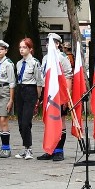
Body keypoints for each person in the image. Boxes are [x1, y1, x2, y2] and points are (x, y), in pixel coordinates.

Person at [38, 33, 73, 161]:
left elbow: (68, 76)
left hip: (60, 94)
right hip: (49, 94)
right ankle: (50, 148)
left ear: (57, 44)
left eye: (51, 42)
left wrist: (67, 97)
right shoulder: (46, 58)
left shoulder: (62, 57)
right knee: (49, 121)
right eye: (47, 42)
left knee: (60, 121)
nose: (48, 45)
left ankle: (59, 150)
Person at [14, 37, 43, 160]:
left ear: (30, 49)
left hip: (30, 90)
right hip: (20, 90)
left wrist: (38, 97)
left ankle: (29, 149)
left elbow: (39, 81)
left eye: (24, 47)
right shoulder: (19, 63)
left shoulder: (35, 62)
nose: (21, 50)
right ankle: (25, 147)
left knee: (26, 122)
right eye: (20, 47)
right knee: (20, 122)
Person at [0, 40, 16, 158]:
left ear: (6, 51)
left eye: (2, 49)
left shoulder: (8, 64)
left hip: (5, 90)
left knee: (3, 119)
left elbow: (12, 83)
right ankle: (3, 147)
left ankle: (7, 148)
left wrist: (11, 99)